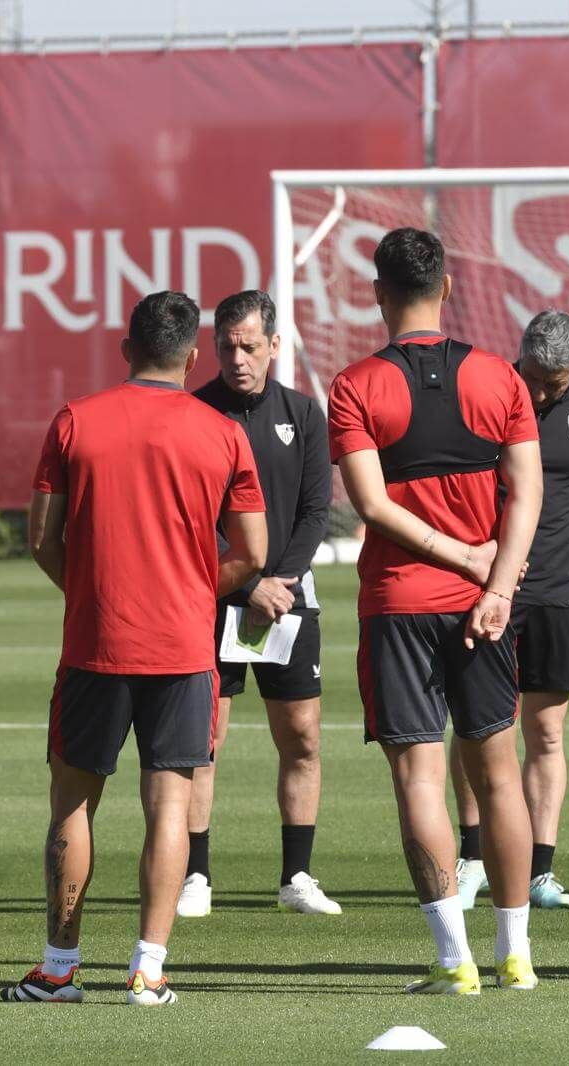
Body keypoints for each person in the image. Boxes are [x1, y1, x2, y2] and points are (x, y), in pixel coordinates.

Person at [0, 290, 267, 1006]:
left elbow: (40, 540)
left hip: (97, 643)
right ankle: (149, 971)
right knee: (169, 809)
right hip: (183, 649)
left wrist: (92, 590)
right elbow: (253, 553)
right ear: (191, 355)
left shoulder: (76, 421)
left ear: (126, 348)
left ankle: (59, 971)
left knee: (72, 806)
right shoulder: (222, 433)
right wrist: (187, 591)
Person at [327, 227, 541, 995]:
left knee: (420, 780)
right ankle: (515, 955)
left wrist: (467, 564)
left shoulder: (355, 386)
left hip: (399, 606)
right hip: (483, 608)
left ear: (379, 294)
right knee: (501, 777)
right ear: (446, 288)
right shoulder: (498, 378)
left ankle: (456, 962)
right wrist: (498, 584)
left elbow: (371, 507)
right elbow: (529, 493)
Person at [449, 310, 569, 912]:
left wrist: (560, 551)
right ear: (518, 357)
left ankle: (539, 871)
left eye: (556, 382)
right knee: (479, 725)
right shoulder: (490, 389)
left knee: (546, 731)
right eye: (535, 377)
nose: (541, 390)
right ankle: (472, 860)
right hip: (487, 585)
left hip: (557, 592)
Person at [185, 289, 338, 918]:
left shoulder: (303, 413)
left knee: (301, 738)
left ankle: (296, 877)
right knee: (203, 740)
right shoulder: (194, 413)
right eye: (227, 346)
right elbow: (193, 515)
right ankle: (195, 875)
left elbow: (315, 508)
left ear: (275, 346)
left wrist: (282, 582)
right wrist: (247, 585)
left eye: (250, 346)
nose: (238, 358)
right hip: (217, 597)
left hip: (289, 598)